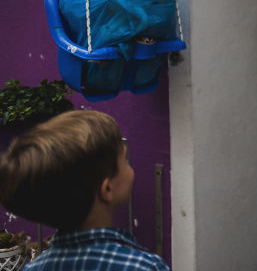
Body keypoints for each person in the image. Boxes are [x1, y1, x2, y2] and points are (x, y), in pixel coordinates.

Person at [0, 110, 170, 271]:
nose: (130, 167)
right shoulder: (145, 266)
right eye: (124, 160)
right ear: (107, 188)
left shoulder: (32, 268)